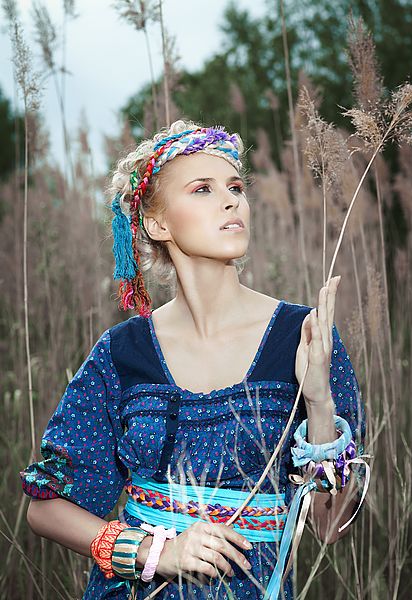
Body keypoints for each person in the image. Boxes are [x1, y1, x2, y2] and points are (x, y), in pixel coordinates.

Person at [19, 120, 367, 599]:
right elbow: (45, 510)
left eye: (236, 187)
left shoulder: (302, 336)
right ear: (157, 223)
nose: (231, 201)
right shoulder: (121, 354)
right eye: (202, 189)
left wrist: (320, 402)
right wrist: (154, 551)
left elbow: (333, 527)